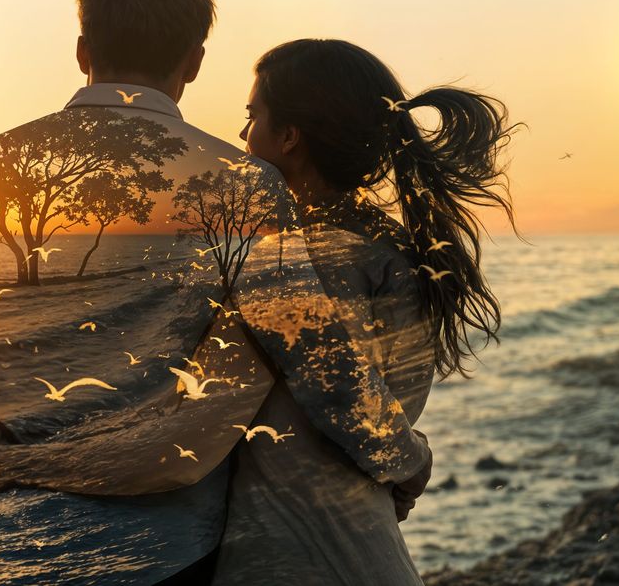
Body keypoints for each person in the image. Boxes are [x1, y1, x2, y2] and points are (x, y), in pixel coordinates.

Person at [0, 0, 434, 585]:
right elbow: (319, 365)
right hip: (170, 552)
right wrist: (404, 464)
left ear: (81, 50)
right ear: (194, 62)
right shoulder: (242, 185)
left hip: (12, 543)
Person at [209, 39, 515, 584]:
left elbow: (337, 389)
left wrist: (411, 463)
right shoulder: (391, 245)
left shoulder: (298, 251)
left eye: (252, 116)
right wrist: (405, 457)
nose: (242, 135)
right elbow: (391, 395)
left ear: (289, 137)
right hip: (355, 528)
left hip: (302, 544)